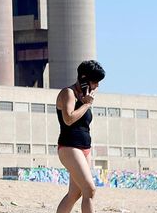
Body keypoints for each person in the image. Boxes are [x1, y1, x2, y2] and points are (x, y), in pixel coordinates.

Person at [55, 60, 106, 213]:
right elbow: (68, 119)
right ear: (84, 78)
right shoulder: (67, 93)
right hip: (69, 147)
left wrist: (85, 102)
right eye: (95, 81)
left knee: (75, 194)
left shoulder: (83, 97)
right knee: (89, 190)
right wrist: (86, 105)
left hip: (85, 149)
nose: (97, 85)